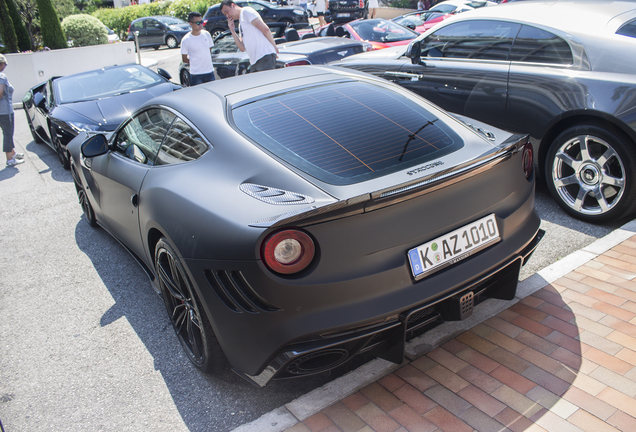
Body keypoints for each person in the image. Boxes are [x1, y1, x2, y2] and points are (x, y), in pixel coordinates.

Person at [221, 0, 279, 73]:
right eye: (225, 14)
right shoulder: (240, 24)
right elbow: (242, 48)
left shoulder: (246, 12)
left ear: (233, 5)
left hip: (264, 55)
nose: (227, 15)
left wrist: (274, 47)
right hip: (254, 61)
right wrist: (232, 30)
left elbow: (265, 29)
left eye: (227, 11)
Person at [0, 55, 24, 167]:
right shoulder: (1, 76)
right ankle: (10, 159)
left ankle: (12, 153)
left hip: (3, 110)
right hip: (4, 111)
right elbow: (0, 92)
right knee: (8, 133)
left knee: (8, 133)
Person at [181, 12, 215, 86]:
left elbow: (209, 50)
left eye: (201, 22)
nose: (200, 25)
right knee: (199, 96)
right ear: (191, 24)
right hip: (196, 74)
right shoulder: (186, 40)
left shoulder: (207, 34)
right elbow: (184, 58)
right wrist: (195, 62)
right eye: (198, 23)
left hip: (209, 72)